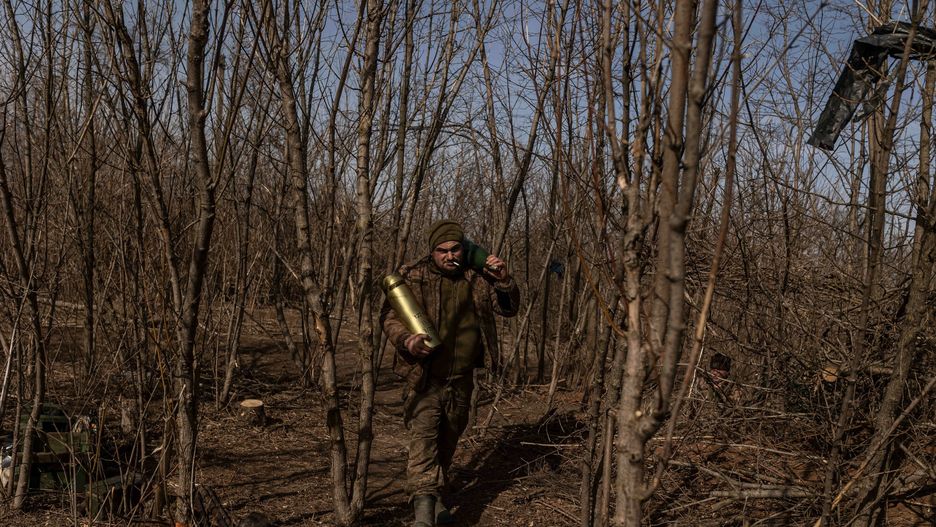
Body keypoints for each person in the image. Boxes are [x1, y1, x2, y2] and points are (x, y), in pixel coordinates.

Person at [380, 220, 520, 527]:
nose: (449, 256)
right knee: (424, 445)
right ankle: (422, 517)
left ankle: (436, 500)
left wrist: (505, 281)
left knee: (447, 442)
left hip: (462, 379)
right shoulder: (412, 276)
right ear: (432, 252)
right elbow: (390, 317)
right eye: (441, 251)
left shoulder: (478, 277)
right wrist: (407, 341)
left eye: (454, 248)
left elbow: (508, 309)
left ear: (463, 248)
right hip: (425, 377)